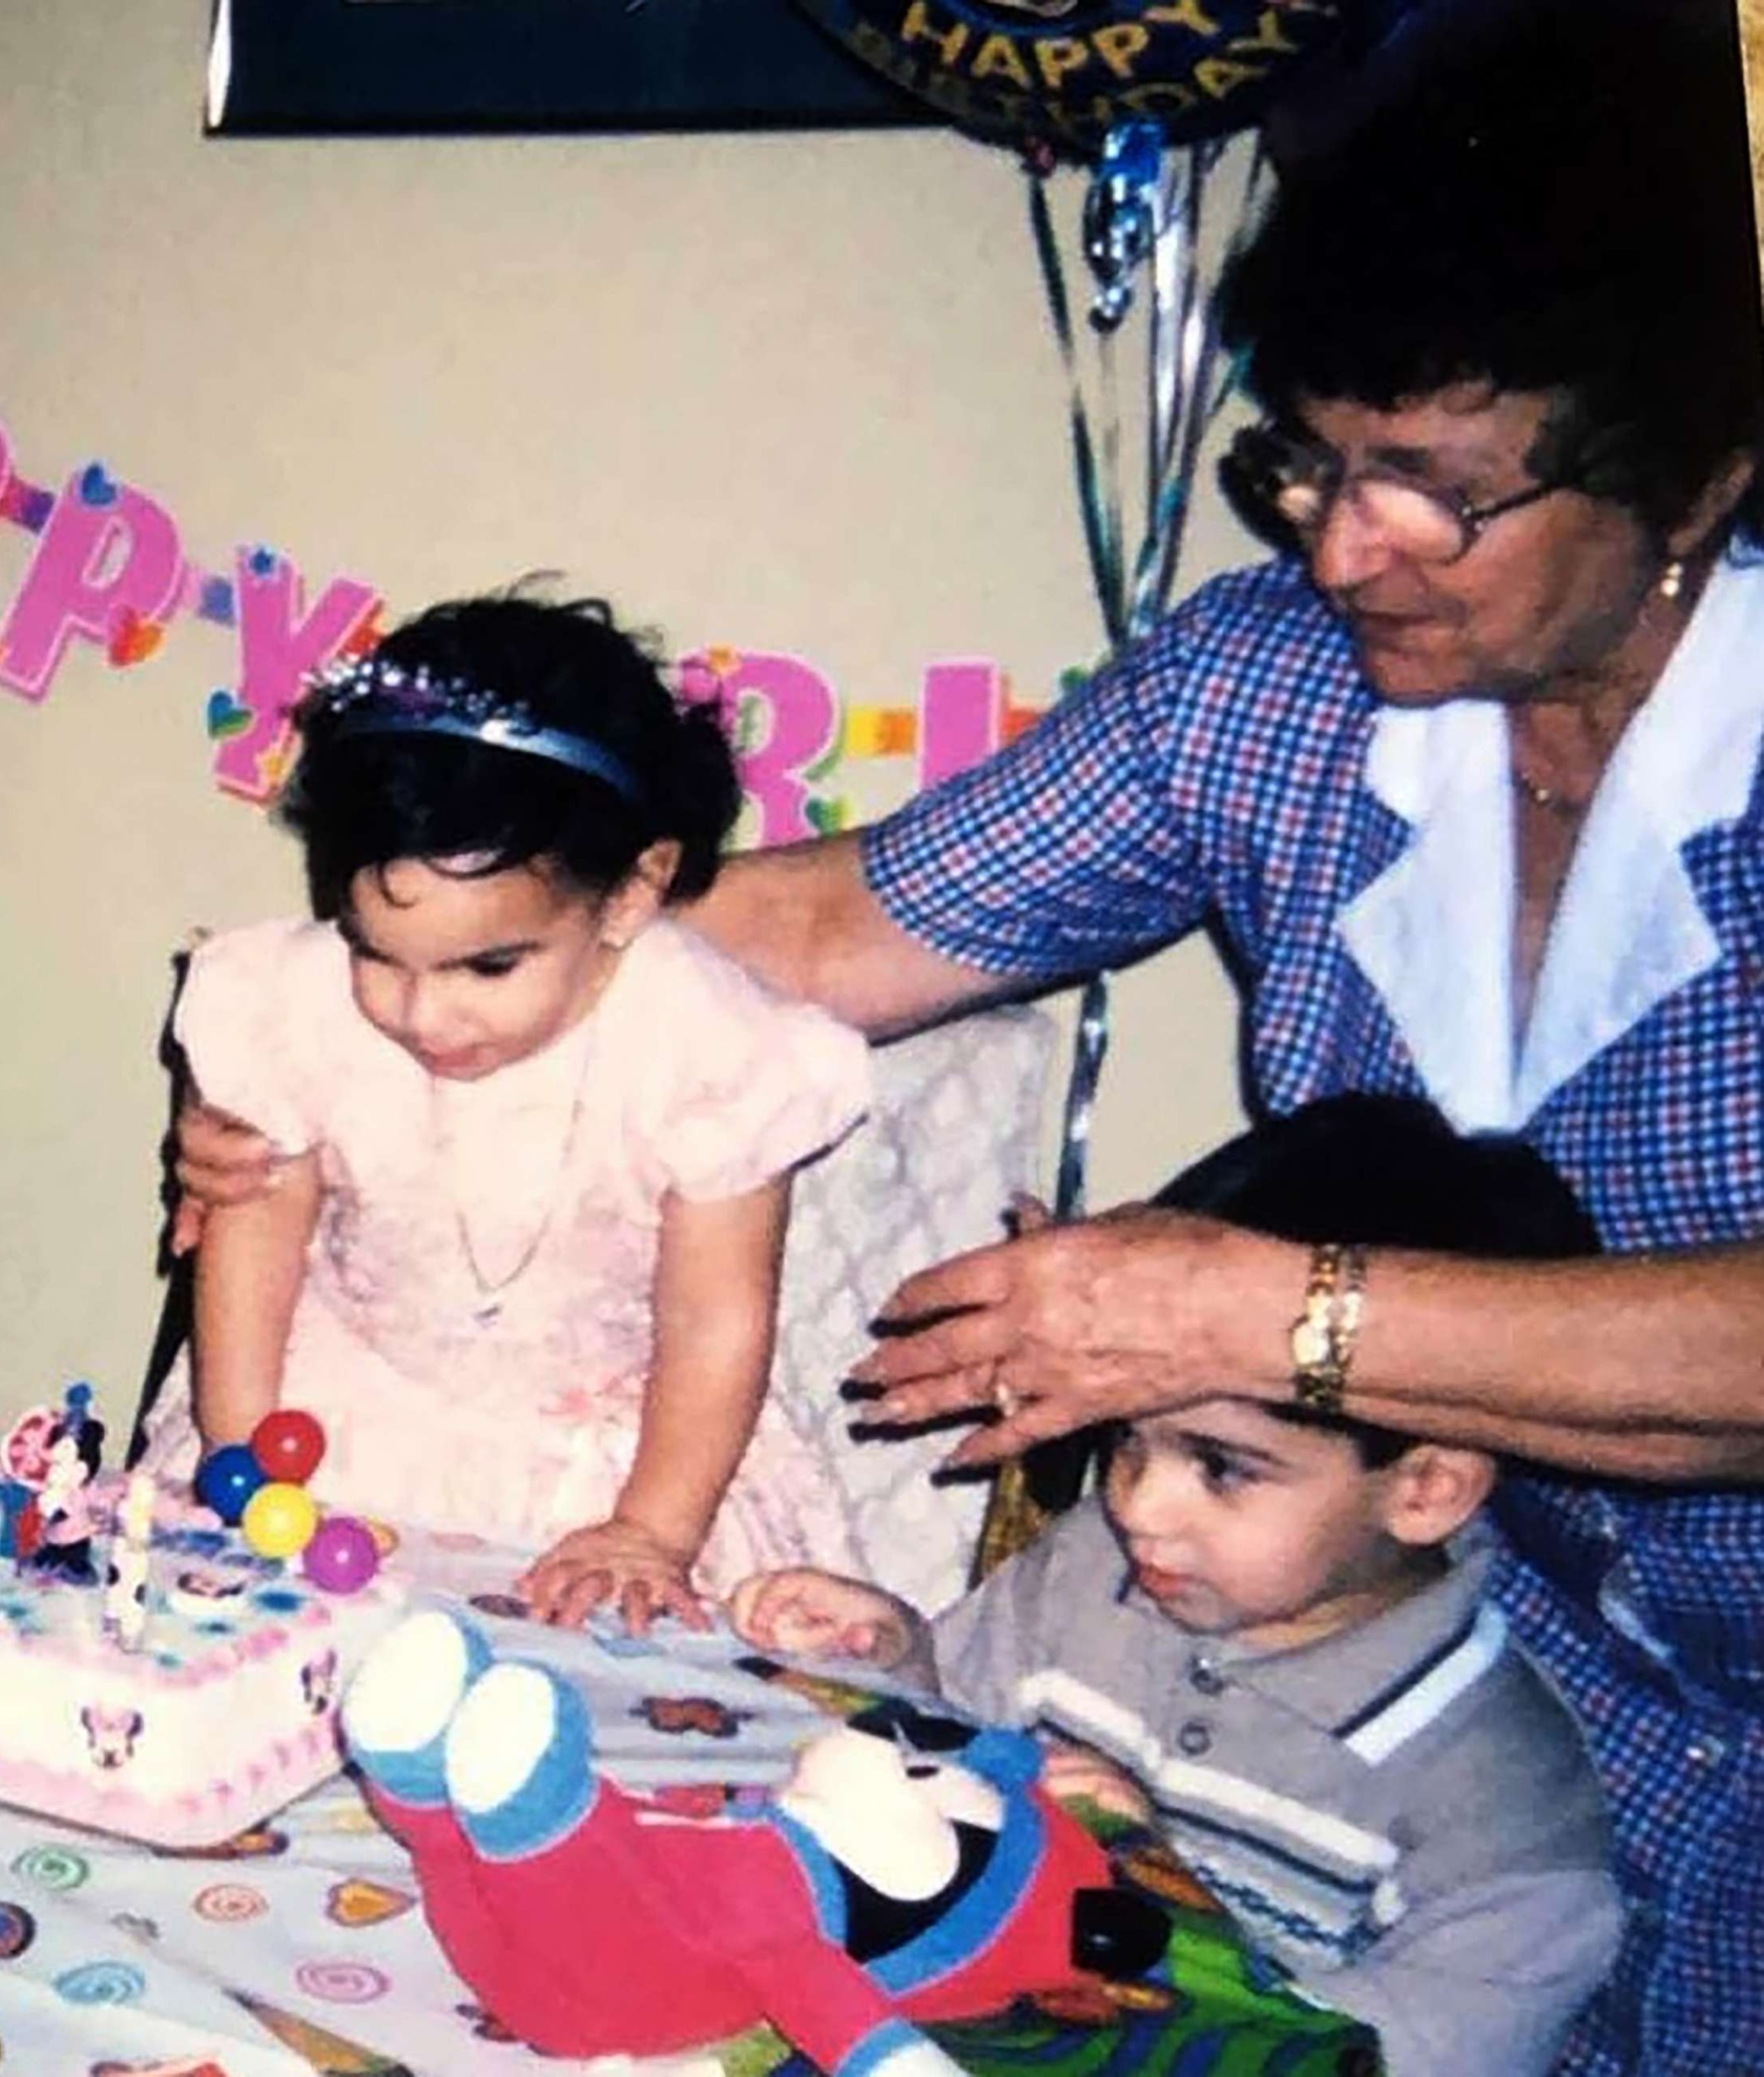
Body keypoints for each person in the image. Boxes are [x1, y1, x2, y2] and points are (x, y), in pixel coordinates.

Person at [171, 6, 1763, 2067]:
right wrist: (422, 1018)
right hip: (1327, 1679)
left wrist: (1267, 1314)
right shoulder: (1270, 695)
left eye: (1437, 490)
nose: (1338, 543)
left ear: (1700, 482)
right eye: (1310, 459)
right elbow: (831, 925)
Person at [732, 1096, 1622, 2076]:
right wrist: (896, 1659)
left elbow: (1354, 2061)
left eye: (1223, 1467)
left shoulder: (1504, 1803)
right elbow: (950, 1756)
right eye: (1126, 1440)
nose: (1140, 1506)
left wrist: (1152, 1895)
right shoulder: (1089, 1567)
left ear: (1424, 1489)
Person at [139, 591, 872, 1631]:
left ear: (627, 894)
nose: (424, 1012)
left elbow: (715, 1320)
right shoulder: (289, 1005)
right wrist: (238, 1456)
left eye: (488, 965)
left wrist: (652, 1533)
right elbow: (254, 1234)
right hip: (336, 1420)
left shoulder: (709, 1049)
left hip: (619, 1468)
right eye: (377, 954)